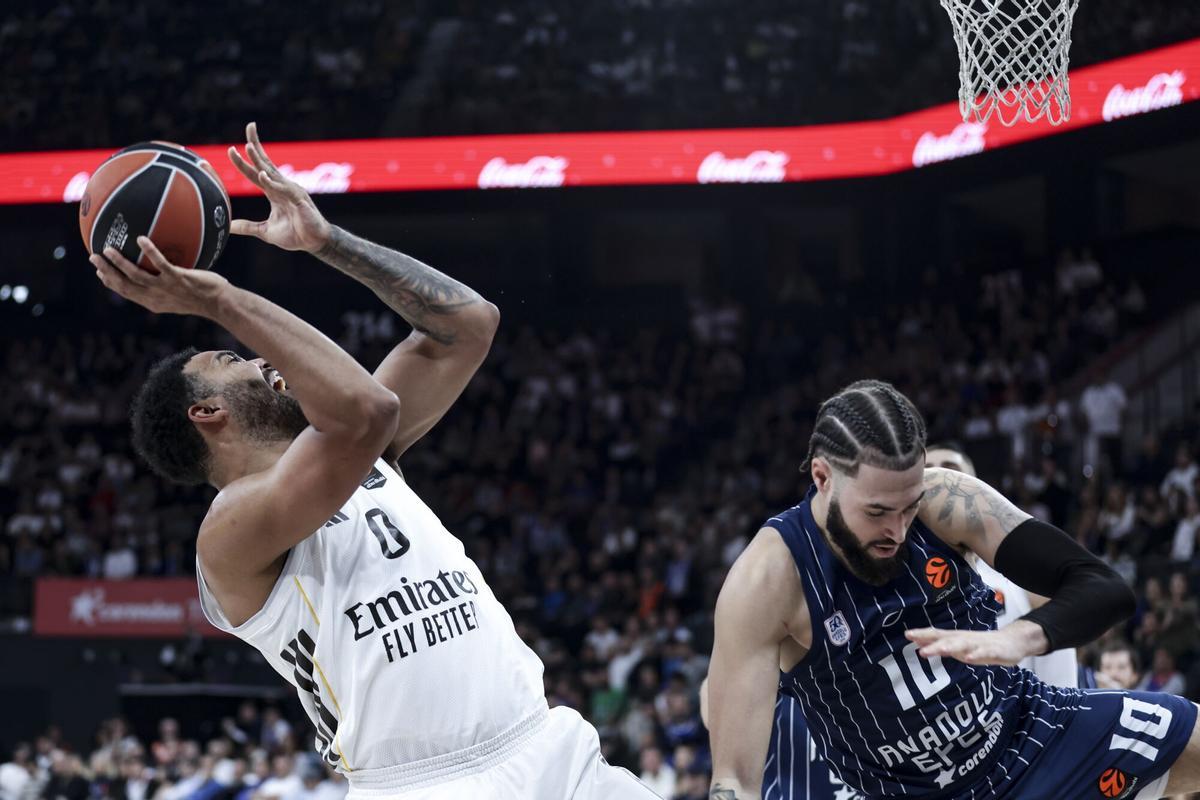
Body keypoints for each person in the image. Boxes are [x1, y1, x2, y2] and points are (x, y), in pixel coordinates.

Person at [92, 123, 659, 800]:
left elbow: (467, 326)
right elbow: (366, 411)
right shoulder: (229, 534)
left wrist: (327, 243)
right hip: (427, 785)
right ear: (206, 414)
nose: (256, 357)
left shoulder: (364, 453)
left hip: (544, 742)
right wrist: (215, 298)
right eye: (231, 359)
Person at [706, 380, 1200, 799]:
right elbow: (734, 781)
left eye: (909, 507)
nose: (898, 531)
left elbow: (1104, 587)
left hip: (1025, 734)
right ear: (822, 477)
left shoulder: (946, 500)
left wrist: (1014, 639)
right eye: (877, 512)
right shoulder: (766, 580)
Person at [695, 441, 1083, 800]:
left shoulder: (1018, 588)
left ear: (972, 486)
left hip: (994, 764)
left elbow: (1058, 688)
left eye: (948, 470)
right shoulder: (832, 589)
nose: (934, 479)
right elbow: (717, 706)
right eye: (926, 470)